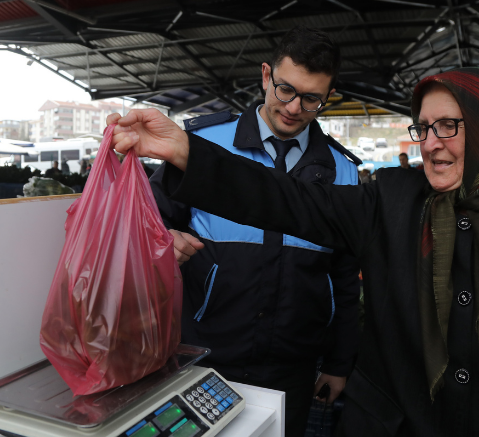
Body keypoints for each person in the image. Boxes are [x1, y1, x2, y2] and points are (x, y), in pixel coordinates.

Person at [108, 67, 479, 436]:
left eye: (450, 126)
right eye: (425, 128)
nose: (432, 142)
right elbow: (286, 199)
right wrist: (184, 150)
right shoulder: (389, 201)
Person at [146, 25, 362, 437]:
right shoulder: (200, 145)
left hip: (295, 364)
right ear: (266, 75)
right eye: (285, 89)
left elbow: (345, 278)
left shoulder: (344, 170)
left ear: (327, 98)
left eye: (311, 98)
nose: (295, 107)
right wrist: (162, 240)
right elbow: (150, 220)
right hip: (203, 351)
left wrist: (338, 364)